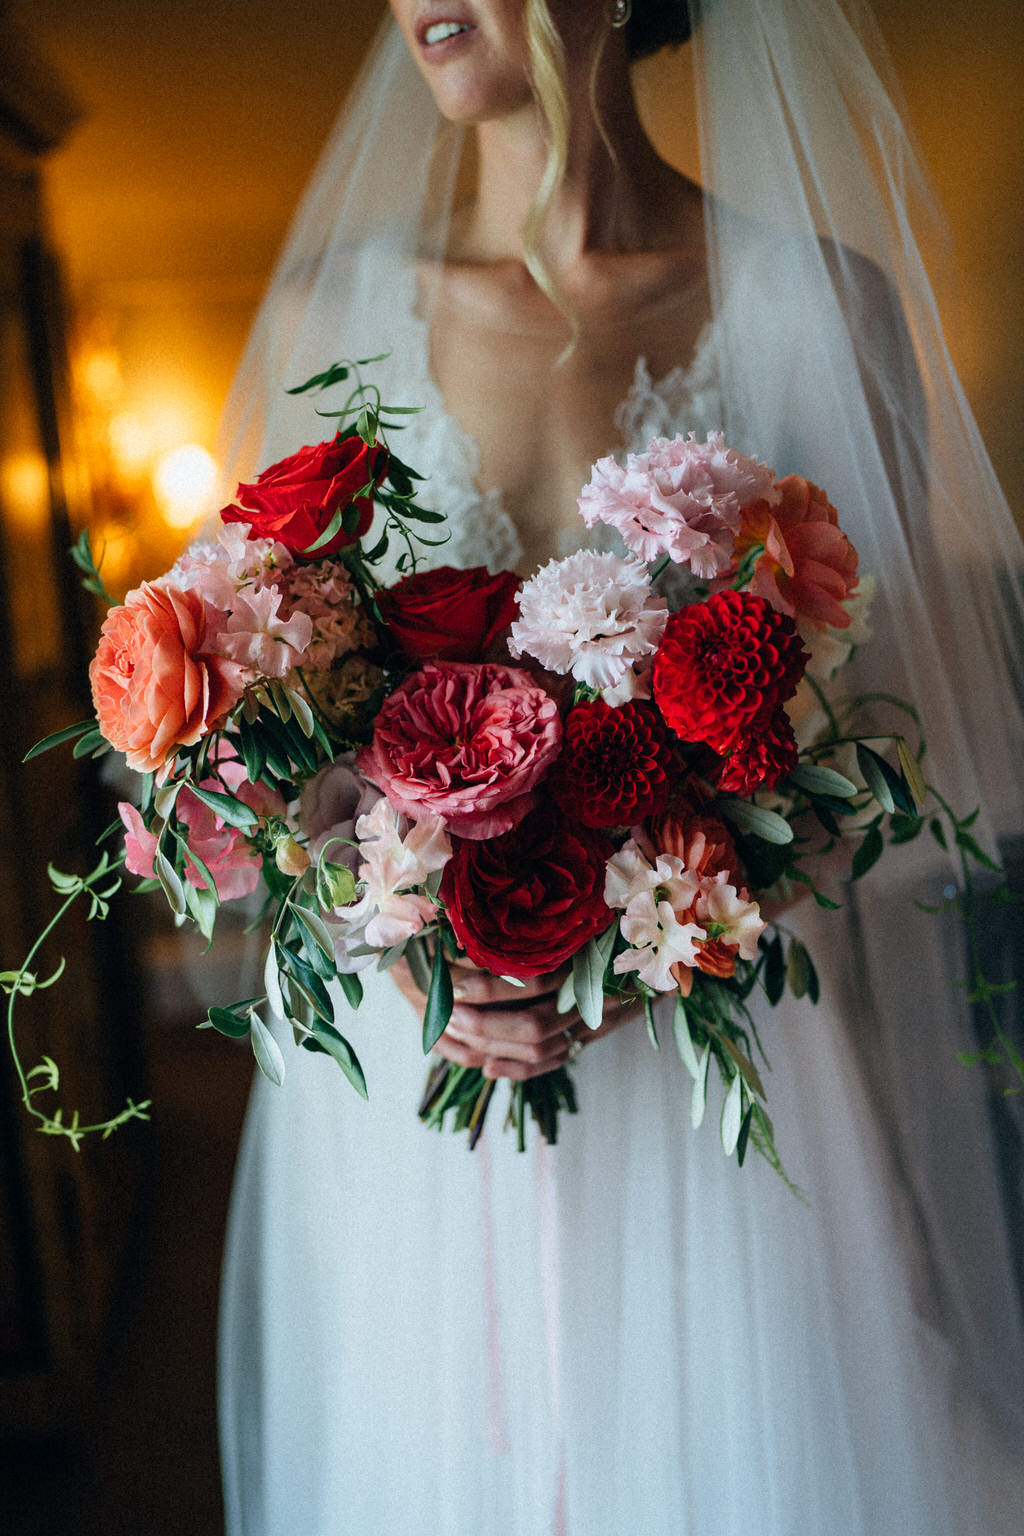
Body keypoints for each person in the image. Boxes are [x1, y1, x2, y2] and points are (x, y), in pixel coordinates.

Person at [217, 3, 1024, 1532]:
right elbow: (274, 735)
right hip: (411, 1096)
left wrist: (667, 925)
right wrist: (380, 918)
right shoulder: (340, 308)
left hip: (700, 1090)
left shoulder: (814, 305)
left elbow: (875, 767)